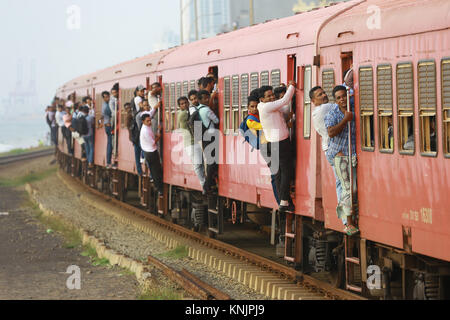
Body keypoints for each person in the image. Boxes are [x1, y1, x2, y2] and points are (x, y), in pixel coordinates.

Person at [324, 85, 358, 236]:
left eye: (344, 96)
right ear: (335, 100)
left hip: (351, 154)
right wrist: (345, 120)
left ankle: (347, 216)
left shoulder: (353, 107)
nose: (342, 99)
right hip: (338, 155)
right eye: (338, 98)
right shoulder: (333, 114)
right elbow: (330, 132)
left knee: (352, 188)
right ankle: (348, 223)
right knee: (346, 188)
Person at [258, 81, 296, 213]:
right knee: (286, 172)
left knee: (280, 173)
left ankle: (282, 200)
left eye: (272, 95)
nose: (271, 98)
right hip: (280, 142)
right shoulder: (266, 107)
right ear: (262, 99)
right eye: (268, 96)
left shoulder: (267, 107)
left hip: (275, 142)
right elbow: (285, 101)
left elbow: (284, 109)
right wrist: (292, 86)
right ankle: (284, 200)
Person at [310, 86, 342, 203]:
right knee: (342, 182)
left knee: (340, 181)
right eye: (320, 95)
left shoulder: (316, 112)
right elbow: (343, 104)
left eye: (324, 93)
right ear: (313, 101)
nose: (324, 95)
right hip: (334, 148)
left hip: (327, 148)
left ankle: (345, 215)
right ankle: (345, 215)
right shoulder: (324, 108)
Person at [177, 96, 206, 193]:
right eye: (182, 104)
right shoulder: (183, 114)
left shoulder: (187, 111)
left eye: (186, 102)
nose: (184, 105)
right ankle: (203, 184)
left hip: (194, 141)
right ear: (179, 106)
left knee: (200, 163)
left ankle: (205, 182)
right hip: (191, 143)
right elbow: (195, 116)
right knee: (198, 164)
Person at [197, 90, 219, 193]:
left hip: (203, 137)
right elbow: (217, 121)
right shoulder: (207, 110)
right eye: (205, 98)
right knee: (212, 161)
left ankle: (208, 183)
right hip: (211, 136)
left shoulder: (198, 109)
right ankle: (207, 184)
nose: (207, 100)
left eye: (207, 97)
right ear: (200, 100)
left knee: (209, 160)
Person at [140, 113, 163, 196]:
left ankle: (159, 188)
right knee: (156, 172)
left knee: (155, 171)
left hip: (149, 152)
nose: (150, 122)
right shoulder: (145, 130)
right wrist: (159, 135)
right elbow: (153, 142)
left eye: (150, 120)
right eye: (148, 121)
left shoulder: (146, 127)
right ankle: (160, 189)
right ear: (143, 121)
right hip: (151, 153)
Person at [101, 91, 113, 168]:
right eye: (105, 97)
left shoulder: (104, 105)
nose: (107, 98)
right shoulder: (106, 106)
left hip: (107, 125)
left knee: (110, 143)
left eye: (108, 96)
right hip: (108, 126)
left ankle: (109, 161)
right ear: (103, 98)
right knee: (110, 143)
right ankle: (108, 161)